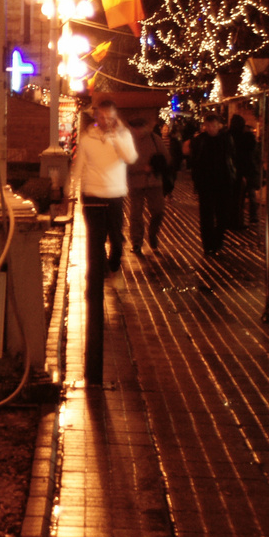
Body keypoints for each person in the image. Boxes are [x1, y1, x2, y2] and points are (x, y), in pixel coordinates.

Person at [72, 97, 137, 385]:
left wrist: (114, 137)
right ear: (96, 116)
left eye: (109, 115)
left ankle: (113, 260)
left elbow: (130, 158)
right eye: (101, 115)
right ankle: (94, 277)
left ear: (114, 115)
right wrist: (69, 189)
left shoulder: (122, 135)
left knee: (116, 239)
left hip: (115, 194)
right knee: (94, 242)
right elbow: (79, 165)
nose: (105, 119)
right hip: (92, 195)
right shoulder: (86, 138)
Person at [188, 114, 234, 255]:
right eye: (209, 126)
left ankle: (218, 242)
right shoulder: (200, 140)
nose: (212, 129)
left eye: (214, 125)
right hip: (205, 183)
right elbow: (194, 160)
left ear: (218, 125)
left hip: (222, 182)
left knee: (222, 215)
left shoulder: (226, 139)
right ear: (205, 126)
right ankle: (208, 245)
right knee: (206, 215)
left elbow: (232, 158)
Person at [126, 117, 168, 255]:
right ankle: (137, 242)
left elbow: (166, 158)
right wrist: (141, 168)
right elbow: (123, 163)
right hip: (135, 182)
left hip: (154, 181)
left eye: (140, 127)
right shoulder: (127, 142)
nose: (137, 130)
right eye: (134, 127)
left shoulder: (155, 139)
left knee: (158, 210)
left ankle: (153, 234)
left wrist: (156, 166)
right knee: (136, 214)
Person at [228, 114, 261, 229]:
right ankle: (242, 219)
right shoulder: (245, 137)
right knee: (244, 197)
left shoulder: (229, 136)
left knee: (234, 198)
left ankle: (233, 220)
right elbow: (251, 152)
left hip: (232, 171)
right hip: (244, 171)